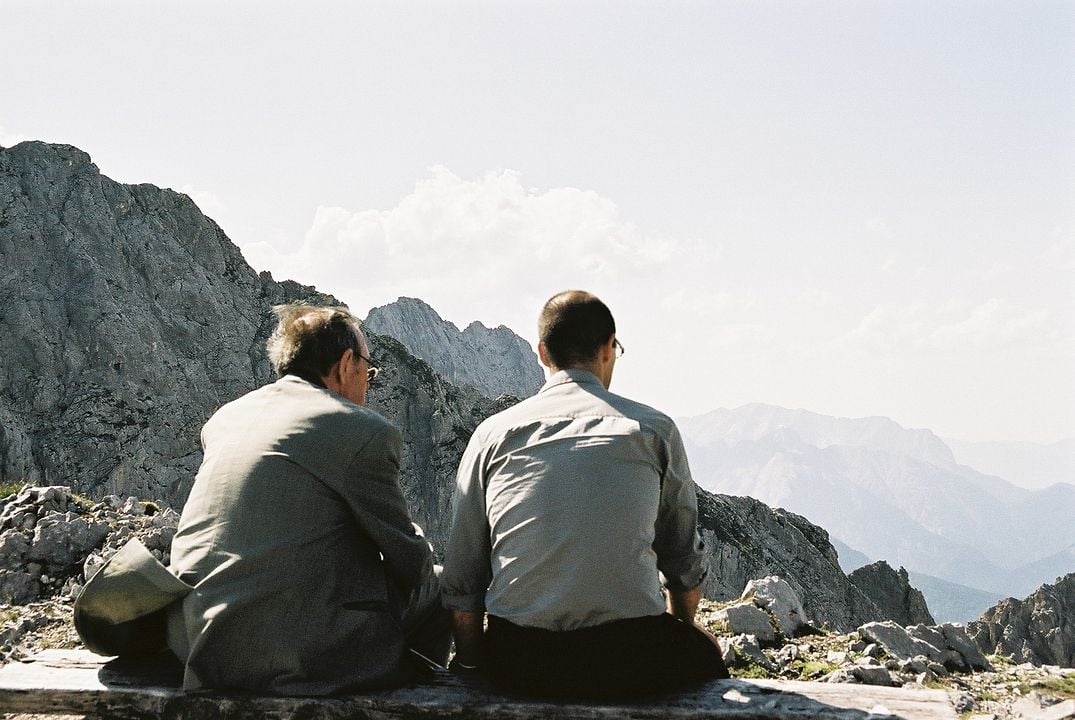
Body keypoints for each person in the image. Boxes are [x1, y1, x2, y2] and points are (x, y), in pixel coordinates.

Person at [441, 290, 729, 699]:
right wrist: (682, 628)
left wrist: (472, 664)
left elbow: (463, 571)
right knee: (707, 654)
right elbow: (681, 558)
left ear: (542, 353)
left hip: (519, 656)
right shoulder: (653, 430)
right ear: (608, 348)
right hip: (630, 654)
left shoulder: (493, 434)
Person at [165, 304, 450, 694]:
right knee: (436, 582)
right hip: (289, 656)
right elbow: (409, 560)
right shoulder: (359, 429)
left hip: (193, 642)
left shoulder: (227, 418)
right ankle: (420, 699)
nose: (368, 381)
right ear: (347, 363)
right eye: (369, 369)